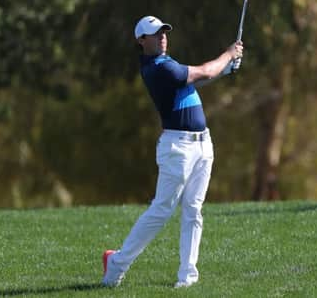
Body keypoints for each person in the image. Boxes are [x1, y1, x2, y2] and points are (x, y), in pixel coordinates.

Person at [102, 15, 243, 288]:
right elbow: (204, 72)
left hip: (203, 144)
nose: (162, 37)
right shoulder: (157, 68)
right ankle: (117, 264)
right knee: (162, 209)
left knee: (193, 210)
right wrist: (228, 55)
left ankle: (187, 277)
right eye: (156, 34)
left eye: (164, 32)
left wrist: (225, 69)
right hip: (177, 148)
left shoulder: (168, 65)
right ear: (141, 41)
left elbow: (194, 80)